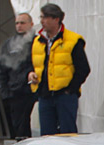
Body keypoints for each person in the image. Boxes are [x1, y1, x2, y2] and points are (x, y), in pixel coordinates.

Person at [27, 3, 90, 135]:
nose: (41, 21)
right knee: (47, 136)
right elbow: (32, 64)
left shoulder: (73, 40)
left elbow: (83, 69)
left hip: (64, 95)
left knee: (67, 133)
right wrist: (31, 74)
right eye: (41, 17)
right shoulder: (37, 41)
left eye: (45, 18)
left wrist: (70, 89)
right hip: (45, 95)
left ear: (56, 19)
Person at [0, 12, 36, 138]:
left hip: (31, 90)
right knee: (17, 126)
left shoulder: (37, 43)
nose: (19, 26)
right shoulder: (9, 44)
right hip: (14, 92)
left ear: (31, 24)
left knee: (26, 123)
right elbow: (2, 70)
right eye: (17, 23)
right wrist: (5, 92)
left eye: (22, 23)